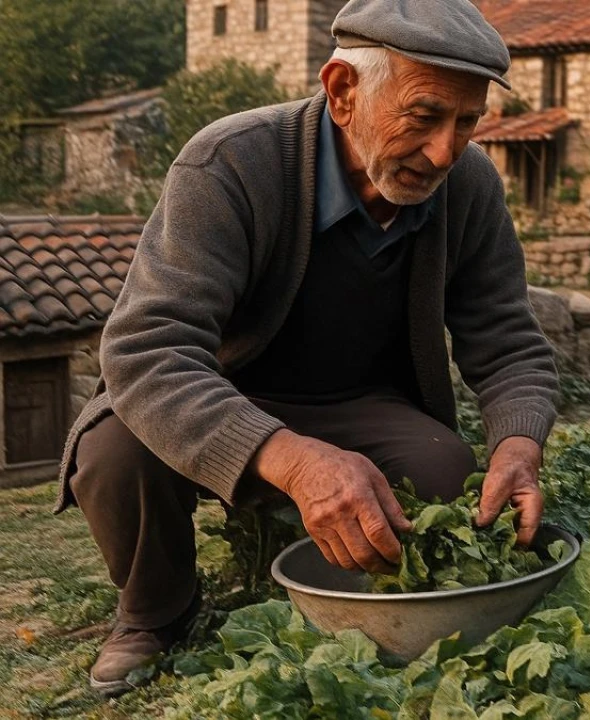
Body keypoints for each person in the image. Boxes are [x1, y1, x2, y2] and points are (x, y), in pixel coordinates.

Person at [55, 0, 559, 696]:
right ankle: (154, 613)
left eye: (466, 122)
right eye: (424, 115)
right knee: (115, 453)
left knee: (445, 469)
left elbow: (510, 345)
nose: (446, 151)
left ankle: (317, 573)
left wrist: (519, 446)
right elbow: (149, 350)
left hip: (359, 402)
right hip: (226, 392)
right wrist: (291, 459)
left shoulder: (467, 187)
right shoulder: (230, 163)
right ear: (343, 91)